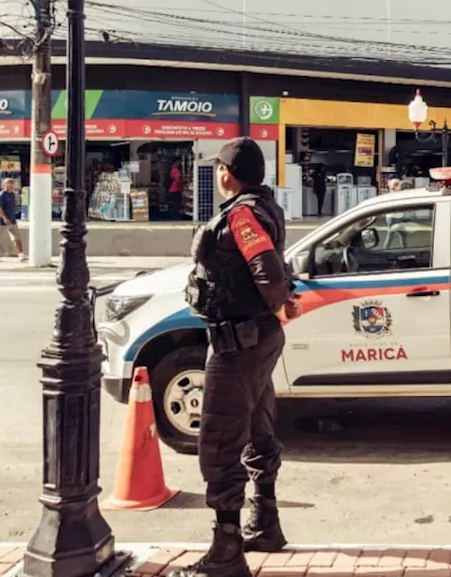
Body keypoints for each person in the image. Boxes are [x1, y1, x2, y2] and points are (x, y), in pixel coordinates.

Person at [178, 137, 299, 577]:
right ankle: (265, 520)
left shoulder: (243, 214)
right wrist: (280, 306)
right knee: (256, 426)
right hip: (258, 339)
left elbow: (267, 270)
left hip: (238, 343)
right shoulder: (263, 206)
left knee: (219, 439)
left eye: (219, 167)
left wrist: (277, 302)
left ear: (228, 172)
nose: (217, 172)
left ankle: (226, 551)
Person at [0, 178, 25, 262]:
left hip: (12, 220)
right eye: (8, 183)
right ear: (4, 184)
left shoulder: (12, 194)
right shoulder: (1, 195)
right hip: (2, 221)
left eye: (11, 183)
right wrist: (5, 218)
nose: (10, 185)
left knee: (16, 238)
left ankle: (21, 255)